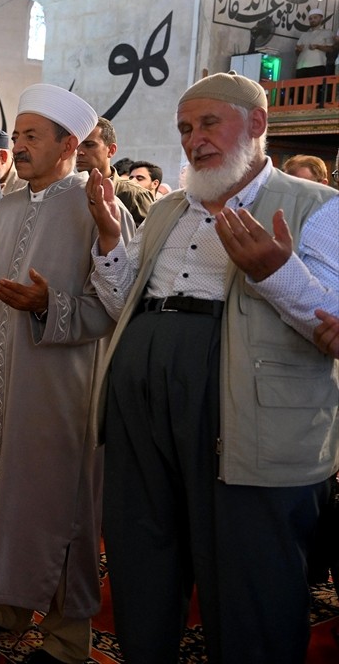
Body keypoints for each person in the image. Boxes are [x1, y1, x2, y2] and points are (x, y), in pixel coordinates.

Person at [86, 72, 339, 663]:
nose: (193, 139)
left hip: (242, 402)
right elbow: (124, 304)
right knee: (141, 543)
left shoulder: (318, 206)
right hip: (141, 394)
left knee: (250, 563)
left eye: (207, 124)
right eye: (184, 128)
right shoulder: (169, 208)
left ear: (256, 124)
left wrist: (276, 272)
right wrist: (108, 238)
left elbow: (332, 322)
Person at [0, 84, 131, 664]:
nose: (18, 146)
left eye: (31, 136)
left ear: (68, 144)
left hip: (58, 385)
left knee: (59, 509)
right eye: (16, 136)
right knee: (1, 491)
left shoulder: (97, 207)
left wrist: (47, 305)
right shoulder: (8, 205)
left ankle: (66, 639)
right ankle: (6, 607)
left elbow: (115, 306)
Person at [76, 117, 154, 225]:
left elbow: (150, 234)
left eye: (89, 145)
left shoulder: (134, 195)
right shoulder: (68, 192)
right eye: (76, 146)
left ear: (111, 150)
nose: (79, 152)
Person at [295, 6, 333, 78]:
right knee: (300, 85)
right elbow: (297, 53)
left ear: (321, 18)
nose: (312, 20)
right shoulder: (304, 35)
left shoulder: (327, 32)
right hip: (301, 66)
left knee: (315, 85)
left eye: (315, 17)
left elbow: (331, 49)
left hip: (317, 65)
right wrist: (298, 50)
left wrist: (318, 47)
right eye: (310, 18)